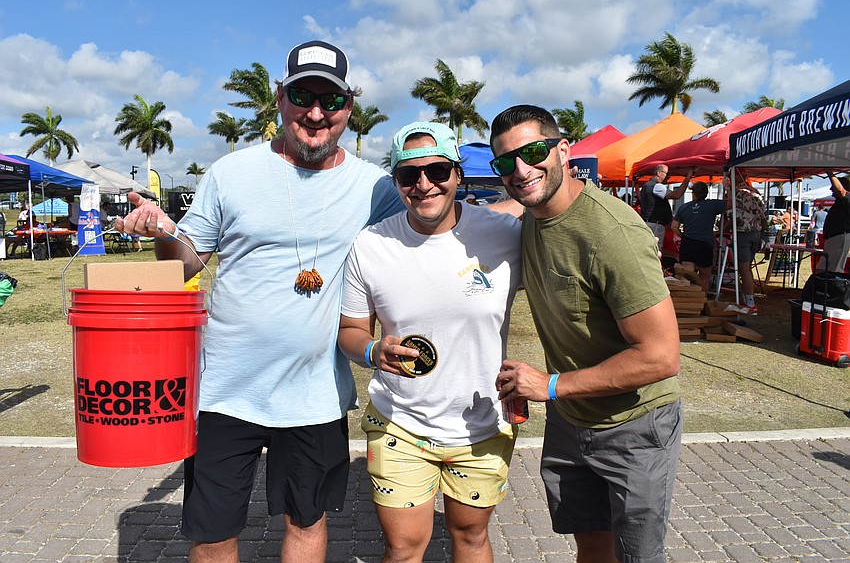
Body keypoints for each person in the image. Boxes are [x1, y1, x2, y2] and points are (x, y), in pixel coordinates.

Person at [114, 39, 410, 562]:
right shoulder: (231, 173)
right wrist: (160, 231)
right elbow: (185, 263)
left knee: (306, 520)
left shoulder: (376, 188)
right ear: (280, 97)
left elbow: (431, 223)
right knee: (213, 532)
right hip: (225, 391)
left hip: (315, 395)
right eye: (303, 94)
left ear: (349, 108)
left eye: (331, 100)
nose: (316, 113)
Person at [489, 105, 682, 563]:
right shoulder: (531, 219)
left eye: (533, 151)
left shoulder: (610, 231)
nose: (521, 169)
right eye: (505, 162)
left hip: (633, 425)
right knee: (590, 543)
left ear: (562, 149)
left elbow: (660, 357)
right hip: (571, 420)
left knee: (636, 554)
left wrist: (550, 385)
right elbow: (483, 215)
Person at [338, 122, 522, 562]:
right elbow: (350, 331)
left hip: (481, 424)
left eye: (438, 170)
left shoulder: (505, 234)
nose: (424, 185)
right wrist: (371, 351)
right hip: (399, 422)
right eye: (408, 175)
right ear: (397, 182)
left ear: (457, 174)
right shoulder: (370, 245)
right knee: (403, 547)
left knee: (471, 538)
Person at [670, 179, 730, 292]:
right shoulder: (712, 204)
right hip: (704, 243)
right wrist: (727, 187)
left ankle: (690, 303)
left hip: (688, 243)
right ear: (706, 193)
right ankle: (702, 303)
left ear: (693, 194)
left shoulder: (684, 207)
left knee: (687, 276)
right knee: (704, 278)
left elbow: (674, 226)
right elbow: (731, 204)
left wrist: (682, 235)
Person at [729, 176, 767, 314]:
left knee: (744, 268)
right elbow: (763, 217)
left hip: (743, 233)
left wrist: (721, 230)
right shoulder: (755, 192)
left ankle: (750, 302)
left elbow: (732, 216)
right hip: (756, 233)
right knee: (747, 267)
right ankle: (747, 298)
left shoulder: (736, 193)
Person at [639, 164, 691, 250]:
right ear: (659, 173)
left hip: (650, 223)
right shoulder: (657, 186)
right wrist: (688, 177)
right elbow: (676, 195)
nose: (667, 177)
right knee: (656, 251)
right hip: (656, 224)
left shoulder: (647, 186)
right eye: (666, 174)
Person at [818, 171, 850, 272]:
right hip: (832, 238)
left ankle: (834, 287)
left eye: (833, 186)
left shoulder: (848, 198)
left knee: (834, 270)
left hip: (840, 236)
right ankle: (822, 287)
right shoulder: (839, 202)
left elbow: (841, 191)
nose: (831, 189)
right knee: (821, 269)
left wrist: (829, 172)